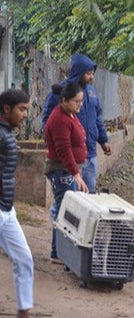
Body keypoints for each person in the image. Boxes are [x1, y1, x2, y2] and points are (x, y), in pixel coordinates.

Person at [42, 53, 112, 194]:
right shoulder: (62, 92)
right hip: (68, 158)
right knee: (69, 198)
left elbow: (97, 116)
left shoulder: (91, 92)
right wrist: (51, 143)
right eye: (88, 73)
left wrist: (103, 140)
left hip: (90, 152)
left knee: (89, 193)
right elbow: (48, 119)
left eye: (92, 73)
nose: (91, 77)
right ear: (79, 73)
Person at [44, 83, 89, 264]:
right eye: (76, 101)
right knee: (64, 212)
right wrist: (76, 174)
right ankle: (57, 252)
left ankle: (62, 250)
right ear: (64, 101)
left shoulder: (70, 114)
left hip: (69, 170)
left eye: (81, 101)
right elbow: (64, 151)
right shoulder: (59, 120)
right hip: (62, 171)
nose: (80, 105)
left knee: (64, 209)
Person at [0, 89, 34, 318]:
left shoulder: (7, 133)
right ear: (6, 109)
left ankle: (24, 312)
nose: (24, 115)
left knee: (24, 259)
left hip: (6, 210)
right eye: (21, 110)